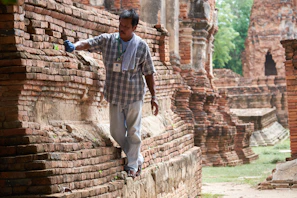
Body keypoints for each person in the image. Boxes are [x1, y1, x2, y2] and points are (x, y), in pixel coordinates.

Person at [64, 9, 159, 179]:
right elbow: (89, 43)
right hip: (115, 95)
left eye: (126, 27)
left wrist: (154, 97)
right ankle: (136, 157)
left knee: (134, 133)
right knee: (116, 132)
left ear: (134, 27)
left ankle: (131, 166)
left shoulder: (141, 46)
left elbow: (149, 73)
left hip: (134, 96)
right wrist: (74, 47)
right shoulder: (108, 40)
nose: (121, 29)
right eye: (120, 25)